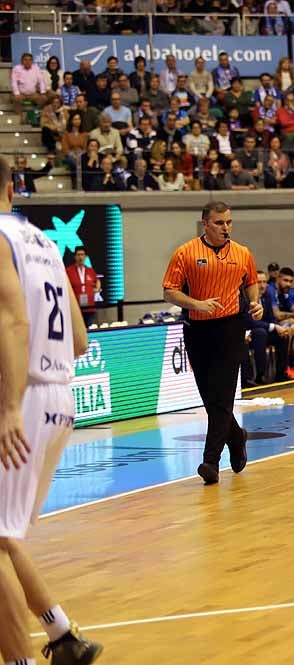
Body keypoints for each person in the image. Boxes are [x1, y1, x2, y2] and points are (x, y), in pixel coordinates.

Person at [0, 156, 103, 665]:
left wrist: (8, 407)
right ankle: (62, 636)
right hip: (60, 395)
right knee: (5, 535)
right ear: (13, 191)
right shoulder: (42, 241)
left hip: (23, 395)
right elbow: (81, 340)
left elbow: (15, 325)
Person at [162, 202, 262, 485]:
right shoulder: (185, 253)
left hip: (231, 327)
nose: (226, 228)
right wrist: (197, 303)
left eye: (229, 222)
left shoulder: (242, 253)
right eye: (219, 223)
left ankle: (210, 462)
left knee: (223, 396)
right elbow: (169, 291)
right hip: (197, 329)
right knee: (210, 398)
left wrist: (255, 303)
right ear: (205, 224)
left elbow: (251, 281)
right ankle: (236, 435)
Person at [65, 246, 101, 326]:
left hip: (89, 307)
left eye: (82, 255)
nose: (80, 257)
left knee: (88, 328)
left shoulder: (90, 271)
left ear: (85, 256)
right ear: (75, 257)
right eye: (78, 255)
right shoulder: (69, 271)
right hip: (75, 308)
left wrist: (97, 288)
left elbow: (97, 280)